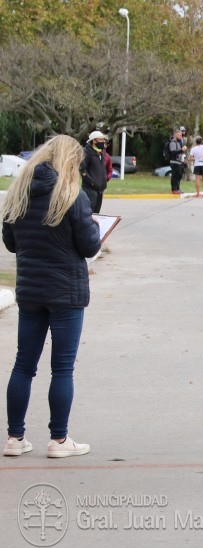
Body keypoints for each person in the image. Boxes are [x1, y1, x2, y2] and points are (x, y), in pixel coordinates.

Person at [2, 135, 101, 458]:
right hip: (66, 292)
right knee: (62, 369)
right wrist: (93, 226)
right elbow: (89, 246)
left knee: (23, 364)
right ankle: (59, 440)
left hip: (30, 290)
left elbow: (11, 243)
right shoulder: (72, 196)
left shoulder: (18, 194)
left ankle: (14, 438)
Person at [80, 130, 108, 214]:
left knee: (96, 213)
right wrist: (92, 182)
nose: (103, 142)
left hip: (99, 190)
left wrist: (104, 183)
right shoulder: (87, 152)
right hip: (90, 189)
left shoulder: (101, 153)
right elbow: (82, 169)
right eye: (101, 140)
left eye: (103, 140)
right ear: (94, 141)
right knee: (89, 212)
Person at [167, 129, 185, 194]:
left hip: (179, 162)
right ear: (176, 135)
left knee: (179, 175)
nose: (181, 136)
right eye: (180, 135)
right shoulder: (173, 142)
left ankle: (177, 188)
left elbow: (180, 153)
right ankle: (174, 189)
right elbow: (173, 152)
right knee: (175, 176)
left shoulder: (179, 142)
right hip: (174, 162)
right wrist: (181, 150)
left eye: (181, 135)